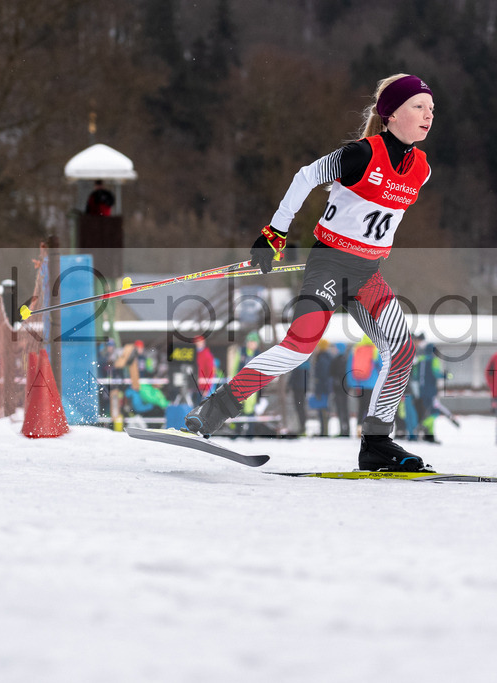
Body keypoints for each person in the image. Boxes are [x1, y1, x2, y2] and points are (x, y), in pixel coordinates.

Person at [185, 73, 435, 472]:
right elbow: (305, 177)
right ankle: (216, 408)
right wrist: (274, 232)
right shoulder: (360, 154)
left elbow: (378, 218)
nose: (428, 115)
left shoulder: (421, 168)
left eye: (431, 109)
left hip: (367, 273)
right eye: (418, 107)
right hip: (331, 263)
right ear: (389, 114)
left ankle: (376, 442)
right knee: (298, 346)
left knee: (402, 351)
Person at [329, 343, 351, 437]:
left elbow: (331, 372)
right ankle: (345, 430)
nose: (333, 350)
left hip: (339, 388)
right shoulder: (346, 359)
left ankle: (344, 430)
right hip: (345, 388)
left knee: (341, 409)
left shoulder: (337, 359)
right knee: (344, 409)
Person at [192, 335, 215, 403]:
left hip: (202, 388)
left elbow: (210, 372)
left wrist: (207, 389)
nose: (197, 344)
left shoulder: (207, 355)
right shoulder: (193, 354)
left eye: (199, 342)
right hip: (193, 387)